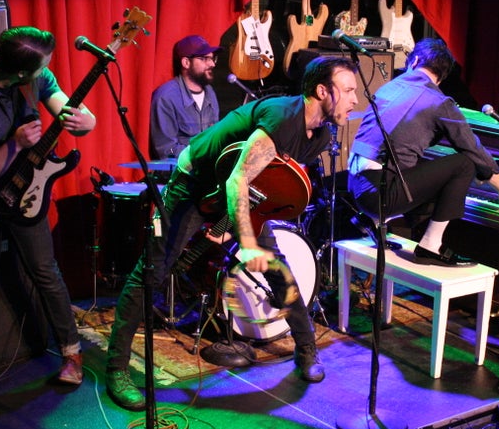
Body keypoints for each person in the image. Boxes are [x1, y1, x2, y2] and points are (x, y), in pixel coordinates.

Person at [104, 56, 359, 410]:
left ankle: (306, 349)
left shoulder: (321, 136)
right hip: (195, 182)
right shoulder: (283, 117)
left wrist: (232, 226)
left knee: (278, 269)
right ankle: (116, 369)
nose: (355, 99)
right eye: (348, 90)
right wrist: (248, 243)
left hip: (235, 187)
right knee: (152, 272)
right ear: (322, 91)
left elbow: (264, 178)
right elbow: (238, 178)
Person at [0, 26, 97, 418]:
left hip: (27, 181)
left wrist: (85, 121)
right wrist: (16, 142)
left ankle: (72, 353)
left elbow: (69, 108)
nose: (47, 71)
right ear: (18, 73)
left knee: (45, 269)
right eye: (41, 67)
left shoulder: (34, 76)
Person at [347, 37, 499, 267]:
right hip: (379, 194)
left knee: (430, 172)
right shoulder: (439, 102)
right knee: (464, 165)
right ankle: (430, 246)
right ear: (442, 76)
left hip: (354, 184)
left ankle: (372, 220)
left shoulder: (390, 86)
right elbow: (474, 151)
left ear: (414, 61)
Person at [149, 35, 222, 160]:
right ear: (186, 63)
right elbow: (166, 150)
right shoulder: (166, 97)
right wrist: (202, 154)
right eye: (204, 58)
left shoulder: (210, 93)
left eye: (212, 58)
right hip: (181, 170)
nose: (212, 64)